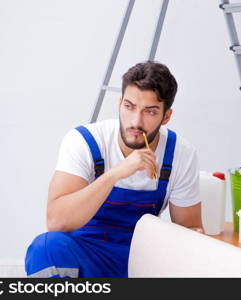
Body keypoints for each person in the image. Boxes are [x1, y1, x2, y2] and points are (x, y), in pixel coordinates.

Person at [25, 61, 202, 278]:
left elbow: (189, 231)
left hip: (145, 259)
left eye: (150, 112)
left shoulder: (180, 154)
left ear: (166, 116)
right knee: (47, 247)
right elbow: (56, 221)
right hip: (88, 255)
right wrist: (115, 174)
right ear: (120, 104)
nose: (136, 121)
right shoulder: (86, 141)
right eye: (129, 107)